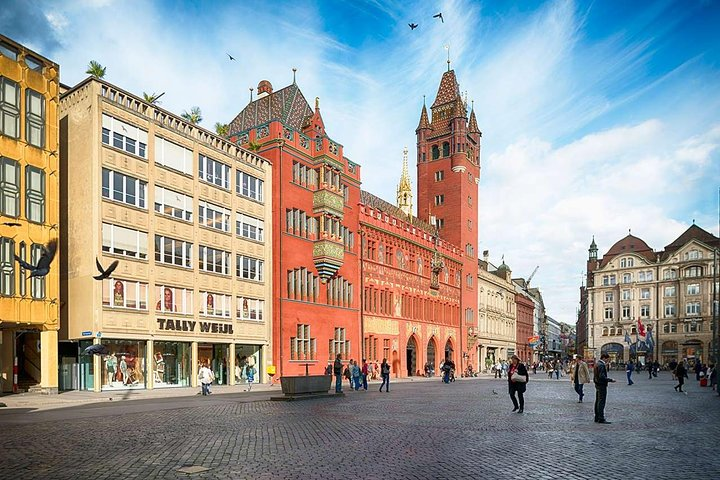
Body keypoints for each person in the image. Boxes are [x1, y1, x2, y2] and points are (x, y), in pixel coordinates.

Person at [593, 353, 616, 423]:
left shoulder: (597, 364)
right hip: (601, 385)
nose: (607, 361)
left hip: (597, 384)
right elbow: (602, 376)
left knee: (597, 401)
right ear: (604, 358)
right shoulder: (601, 365)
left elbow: (595, 376)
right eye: (607, 359)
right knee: (601, 402)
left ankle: (597, 417)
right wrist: (610, 380)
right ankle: (601, 418)